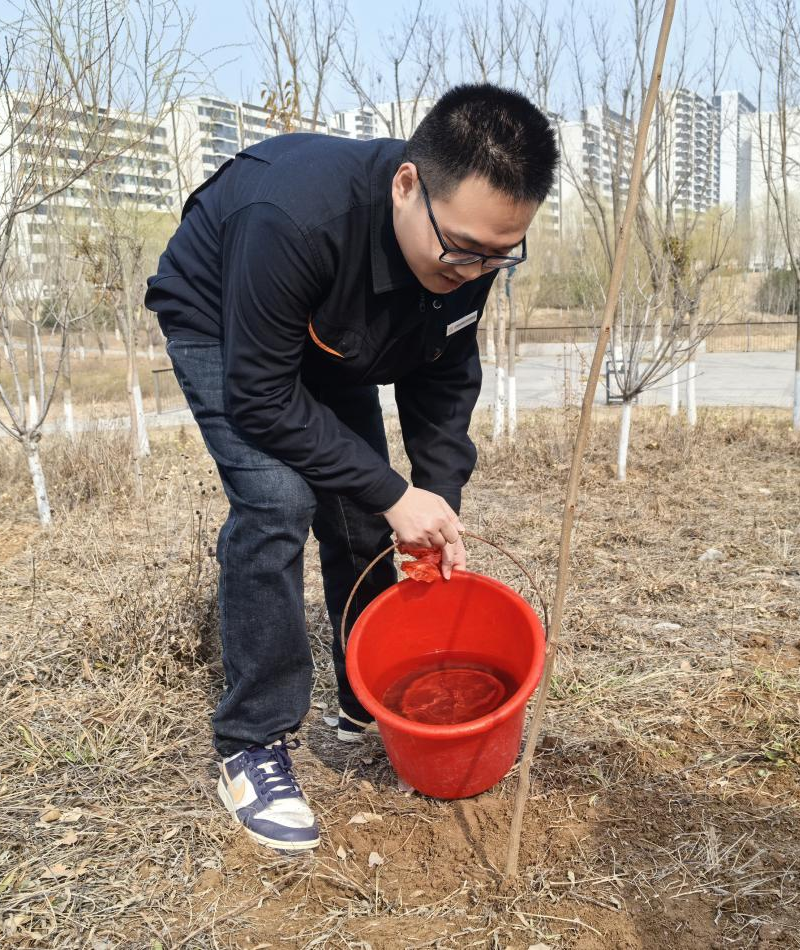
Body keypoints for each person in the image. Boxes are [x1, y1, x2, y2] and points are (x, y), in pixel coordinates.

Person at [143, 83, 559, 852]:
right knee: (275, 500)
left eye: (501, 254)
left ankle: (363, 692)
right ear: (407, 183)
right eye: (463, 248)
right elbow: (263, 397)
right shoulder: (292, 217)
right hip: (223, 316)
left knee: (368, 511)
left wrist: (430, 499)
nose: (477, 269)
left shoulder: (470, 245)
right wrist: (392, 489)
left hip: (335, 332)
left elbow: (444, 373)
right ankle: (253, 741)